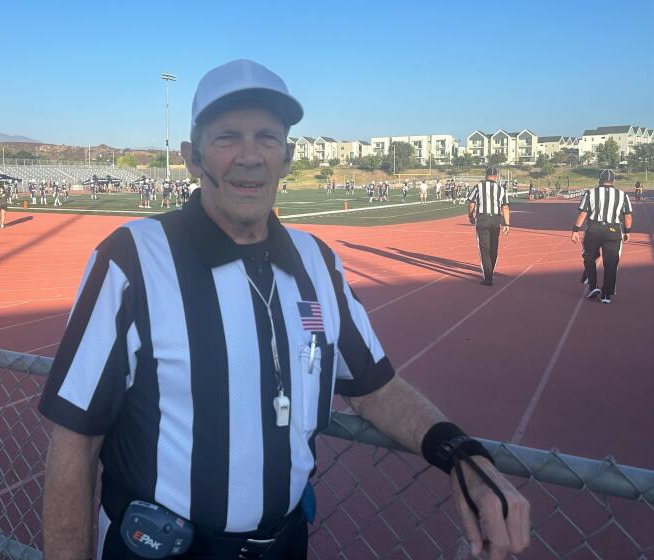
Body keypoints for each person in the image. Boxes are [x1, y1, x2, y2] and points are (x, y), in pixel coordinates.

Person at [38, 59, 529, 560]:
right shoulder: (131, 260)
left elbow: (375, 389)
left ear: (288, 156)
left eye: (268, 138)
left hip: (285, 546)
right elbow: (76, 439)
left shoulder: (318, 262)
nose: (250, 157)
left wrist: (460, 454)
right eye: (227, 136)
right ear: (192, 156)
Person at [571, 169, 633, 303]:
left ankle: (593, 286)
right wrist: (627, 231)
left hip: (594, 229)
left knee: (588, 257)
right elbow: (627, 215)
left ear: (599, 179)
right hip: (613, 229)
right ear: (614, 181)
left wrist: (575, 230)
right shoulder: (622, 195)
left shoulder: (590, 193)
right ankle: (606, 295)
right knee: (611, 263)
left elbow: (583, 214)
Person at [467, 166, 511, 286]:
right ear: (496, 176)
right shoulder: (501, 189)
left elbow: (471, 203)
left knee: (484, 248)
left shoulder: (478, 186)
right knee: (493, 246)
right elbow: (505, 207)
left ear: (485, 175)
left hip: (483, 218)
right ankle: (490, 271)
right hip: (496, 219)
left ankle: (488, 277)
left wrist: (470, 216)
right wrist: (506, 223)